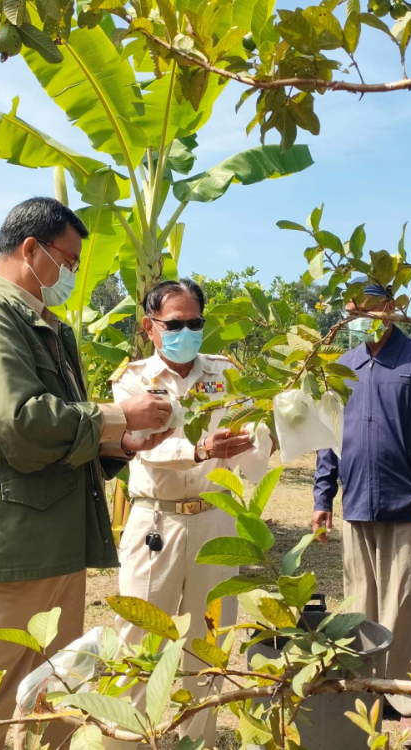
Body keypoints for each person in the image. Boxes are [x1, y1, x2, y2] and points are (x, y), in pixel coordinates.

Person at [0, 197, 170, 750]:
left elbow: (60, 433)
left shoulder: (39, 324)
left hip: (51, 539)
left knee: (51, 692)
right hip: (10, 544)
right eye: (70, 260)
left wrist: (119, 442)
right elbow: (22, 426)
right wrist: (115, 417)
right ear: (31, 249)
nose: (73, 274)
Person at [107, 278, 272, 749]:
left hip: (214, 523)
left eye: (195, 322)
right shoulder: (134, 380)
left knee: (211, 639)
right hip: (154, 521)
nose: (186, 331)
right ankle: (128, 740)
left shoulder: (226, 373)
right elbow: (143, 448)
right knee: (140, 638)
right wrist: (199, 449)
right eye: (175, 323)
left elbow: (249, 447)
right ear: (150, 327)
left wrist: (265, 436)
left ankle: (195, 739)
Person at [312, 280, 411, 749]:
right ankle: (368, 695)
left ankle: (410, 705)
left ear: (391, 308)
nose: (358, 313)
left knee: (406, 605)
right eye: (350, 307)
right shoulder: (343, 365)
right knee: (359, 603)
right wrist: (323, 498)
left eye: (368, 305)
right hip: (358, 503)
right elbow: (329, 436)